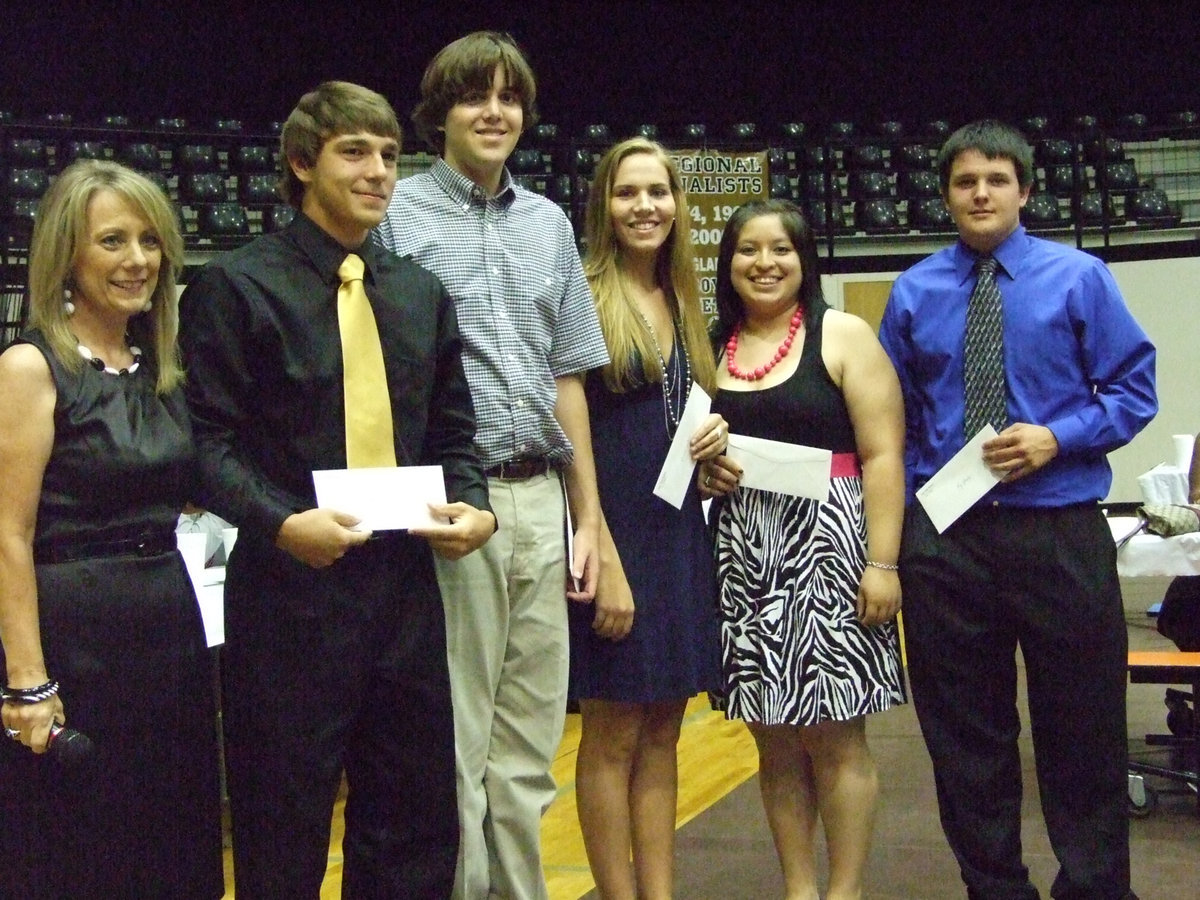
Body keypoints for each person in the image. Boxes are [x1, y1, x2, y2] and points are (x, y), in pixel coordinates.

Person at [179, 81, 495, 897]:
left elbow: (454, 434)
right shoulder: (236, 287)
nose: (379, 171)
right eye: (355, 152)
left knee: (415, 819)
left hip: (403, 588)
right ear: (299, 163)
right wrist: (283, 524)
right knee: (282, 820)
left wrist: (476, 506)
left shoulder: (418, 292)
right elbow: (203, 448)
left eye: (390, 155)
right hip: (289, 592)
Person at [878, 119, 1157, 900]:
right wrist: (899, 540)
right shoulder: (913, 291)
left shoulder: (1080, 278)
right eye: (965, 181)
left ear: (1025, 190)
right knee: (967, 739)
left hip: (1059, 528)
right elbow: (888, 421)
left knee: (1084, 730)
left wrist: (1058, 437)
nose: (980, 193)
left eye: (996, 180)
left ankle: (1097, 888)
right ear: (945, 195)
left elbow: (1134, 391)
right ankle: (993, 888)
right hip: (948, 540)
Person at [375, 31, 611, 900]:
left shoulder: (548, 222)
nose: (495, 112)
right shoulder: (394, 212)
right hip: (452, 509)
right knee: (457, 745)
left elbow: (567, 378)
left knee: (529, 751)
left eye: (510, 98)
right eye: (477, 96)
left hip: (541, 500)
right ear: (439, 113)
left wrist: (588, 516)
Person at [0, 159, 223, 898]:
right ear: (68, 253)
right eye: (113, 241)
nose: (137, 261)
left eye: (150, 241)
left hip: (169, 630)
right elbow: (7, 534)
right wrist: (29, 682)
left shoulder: (161, 367)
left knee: (173, 844)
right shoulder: (30, 366)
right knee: (81, 853)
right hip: (77, 637)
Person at [700, 199, 907, 900]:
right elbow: (687, 457)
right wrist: (706, 473)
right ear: (728, 264)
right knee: (774, 739)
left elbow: (882, 454)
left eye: (780, 249)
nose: (765, 263)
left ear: (804, 258)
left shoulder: (842, 334)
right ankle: (798, 888)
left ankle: (843, 890)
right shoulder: (710, 346)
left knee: (836, 738)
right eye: (748, 251)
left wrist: (883, 563)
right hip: (744, 558)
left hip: (832, 553)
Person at [572, 136, 728, 899]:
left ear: (678, 205)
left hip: (679, 536)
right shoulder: (584, 294)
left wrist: (716, 449)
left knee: (664, 727)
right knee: (612, 734)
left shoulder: (686, 298)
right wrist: (599, 550)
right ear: (603, 205)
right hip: (616, 538)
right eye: (628, 192)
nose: (645, 206)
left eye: (658, 192)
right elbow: (570, 437)